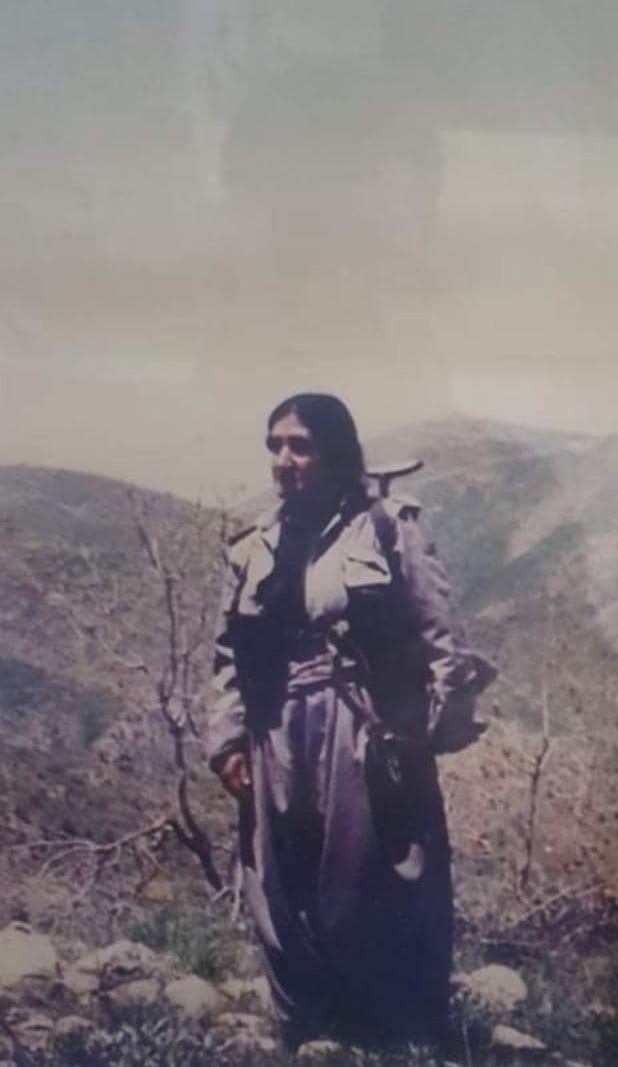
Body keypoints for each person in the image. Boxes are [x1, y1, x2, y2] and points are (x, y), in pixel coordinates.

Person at [207, 393, 486, 1050]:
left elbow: (443, 637)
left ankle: (389, 1034)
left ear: (336, 452)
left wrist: (429, 732)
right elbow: (227, 653)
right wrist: (226, 738)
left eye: (300, 445)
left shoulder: (388, 527)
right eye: (275, 445)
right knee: (277, 877)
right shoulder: (253, 547)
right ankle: (307, 1029)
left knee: (369, 873)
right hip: (275, 728)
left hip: (360, 722)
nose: (284, 460)